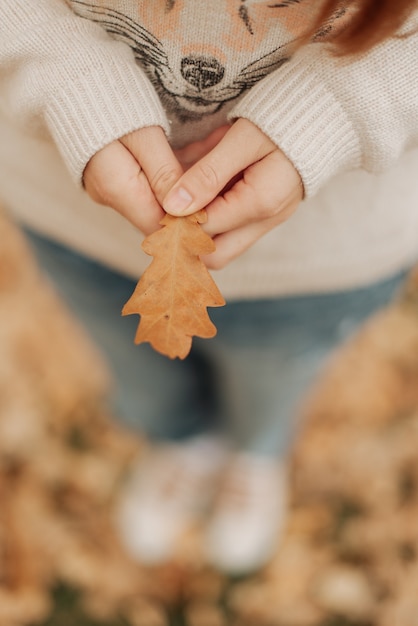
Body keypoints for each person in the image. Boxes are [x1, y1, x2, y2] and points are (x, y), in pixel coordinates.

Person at [0, 0, 418, 574]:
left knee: (271, 386)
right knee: (141, 375)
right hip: (74, 225)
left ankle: (254, 456)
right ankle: (180, 444)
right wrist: (53, 69)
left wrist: (347, 106)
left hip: (319, 263)